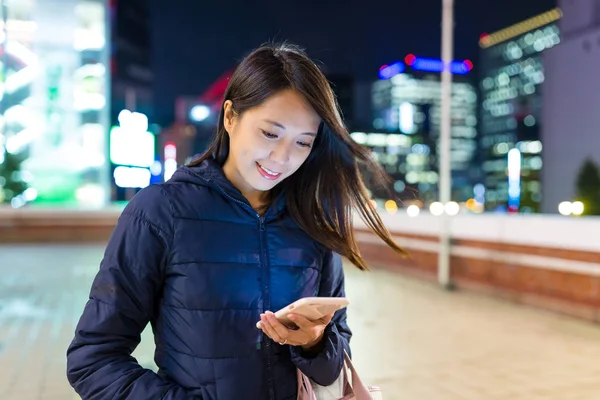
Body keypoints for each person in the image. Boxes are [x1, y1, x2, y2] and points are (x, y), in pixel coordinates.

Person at [66, 42, 405, 400]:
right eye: (270, 133)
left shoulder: (312, 222)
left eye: (303, 142)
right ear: (230, 116)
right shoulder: (161, 211)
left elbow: (336, 364)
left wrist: (315, 343)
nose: (282, 157)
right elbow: (94, 360)